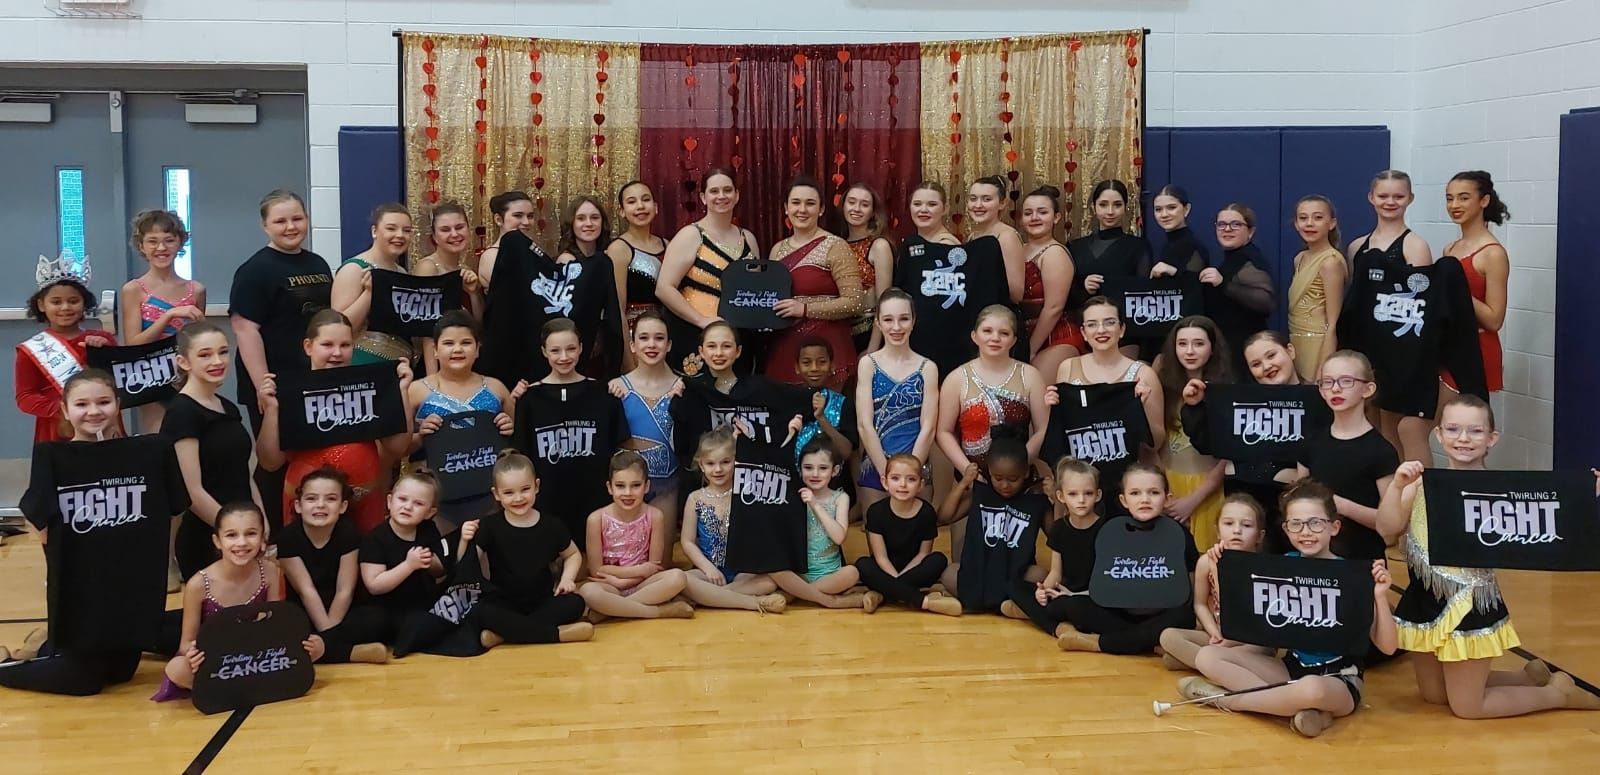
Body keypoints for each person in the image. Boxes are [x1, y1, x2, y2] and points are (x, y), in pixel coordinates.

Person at [1378, 395, 1600, 718]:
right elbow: (1386, 527)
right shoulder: (1424, 484)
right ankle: (1524, 677)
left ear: (1491, 439)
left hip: (1469, 602)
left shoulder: (1500, 489)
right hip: (1424, 599)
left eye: (1475, 431)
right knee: (1434, 697)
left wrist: (1580, 492)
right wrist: (1397, 487)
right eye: (1453, 429)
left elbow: (1550, 509)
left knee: (1468, 708)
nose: (1463, 438)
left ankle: (1557, 694)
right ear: (1438, 435)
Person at [1, 370, 187, 696]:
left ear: (118, 404)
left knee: (120, 675)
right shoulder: (52, 456)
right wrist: (58, 557)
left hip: (130, 594)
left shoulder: (151, 452)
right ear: (65, 409)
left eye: (103, 402)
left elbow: (175, 506)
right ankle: (9, 668)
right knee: (83, 683)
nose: (93, 411)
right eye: (82, 404)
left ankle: (48, 651)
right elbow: (34, 512)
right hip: (83, 594)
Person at [1180, 481, 1398, 738]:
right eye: (1296, 524)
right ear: (1286, 529)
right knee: (1208, 657)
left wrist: (1380, 597)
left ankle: (1227, 700)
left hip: (1338, 679)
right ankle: (1299, 711)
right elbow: (1245, 619)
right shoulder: (1280, 567)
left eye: (1315, 523)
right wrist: (1221, 566)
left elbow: (1388, 647)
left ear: (1334, 526)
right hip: (1290, 669)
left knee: (1311, 690)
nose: (1306, 532)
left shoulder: (1352, 575)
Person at [255, 310, 415, 535]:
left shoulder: (369, 385)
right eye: (327, 344)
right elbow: (270, 462)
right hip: (307, 503)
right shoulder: (288, 391)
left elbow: (398, 447)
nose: (337, 353)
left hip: (366, 498)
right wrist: (272, 409)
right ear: (308, 346)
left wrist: (401, 393)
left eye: (345, 345)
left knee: (369, 563)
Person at [229, 190, 332, 529]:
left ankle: (306, 530)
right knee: (274, 463)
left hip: (311, 380)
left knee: (308, 458)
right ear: (265, 226)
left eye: (297, 218)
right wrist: (263, 386)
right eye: (280, 220)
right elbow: (245, 330)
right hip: (274, 383)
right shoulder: (255, 270)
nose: (290, 226)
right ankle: (268, 532)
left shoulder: (317, 264)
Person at [157, 502, 326, 700]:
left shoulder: (270, 572)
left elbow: (277, 624)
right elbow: (186, 643)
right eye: (231, 535)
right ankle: (234, 689)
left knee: (318, 644)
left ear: (263, 538)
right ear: (217, 541)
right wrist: (193, 654)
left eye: (251, 534)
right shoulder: (198, 584)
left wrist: (302, 645)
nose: (242, 543)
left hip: (256, 653)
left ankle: (243, 686)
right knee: (177, 668)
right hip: (218, 658)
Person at [1046, 462, 1199, 654]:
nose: (1145, 500)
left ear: (1167, 499)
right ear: (1124, 500)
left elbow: (1191, 581)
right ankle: (1148, 643)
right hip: (1120, 613)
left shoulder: (1179, 534)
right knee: (1069, 605)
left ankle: (1100, 643)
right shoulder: (1112, 532)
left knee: (1183, 617)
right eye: (1135, 493)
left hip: (1163, 612)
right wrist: (1074, 596)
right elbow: (1104, 581)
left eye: (1154, 493)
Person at [512, 318, 629, 548]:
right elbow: (521, 454)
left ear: (582, 348)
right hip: (547, 505)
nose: (564, 357)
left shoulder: (604, 394)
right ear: (544, 351)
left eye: (571, 348)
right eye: (555, 350)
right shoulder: (529, 399)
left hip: (595, 503)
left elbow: (621, 449)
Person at [1178, 330, 1303, 546]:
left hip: (1289, 512)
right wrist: (1194, 407)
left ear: (1290, 351)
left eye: (1271, 355)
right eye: (1256, 364)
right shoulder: (1242, 403)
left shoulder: (1317, 399)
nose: (1266, 367)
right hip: (1243, 511)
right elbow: (1207, 444)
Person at [1344, 170, 1435, 462]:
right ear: (1371, 198)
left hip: (1399, 351)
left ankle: (1402, 496)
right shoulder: (1358, 247)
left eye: (1398, 196)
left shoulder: (1415, 245)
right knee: (1368, 422)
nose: (1390, 202)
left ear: (1410, 199)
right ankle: (1378, 491)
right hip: (1365, 348)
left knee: (1395, 428)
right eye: (1383, 196)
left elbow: (1421, 307)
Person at [463, 453, 594, 647]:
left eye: (525, 489)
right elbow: (467, 562)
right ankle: (558, 634)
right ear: (496, 494)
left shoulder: (552, 525)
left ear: (537, 486)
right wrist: (465, 540)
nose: (518, 498)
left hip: (542, 601)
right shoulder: (489, 526)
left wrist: (567, 578)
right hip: (504, 601)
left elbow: (573, 554)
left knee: (576, 603)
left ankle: (503, 635)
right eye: (509, 493)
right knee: (480, 611)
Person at [164, 322, 260, 581]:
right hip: (208, 536)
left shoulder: (227, 407)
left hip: (241, 534)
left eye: (223, 352)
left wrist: (259, 522)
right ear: (184, 362)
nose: (217, 361)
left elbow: (244, 472)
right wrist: (232, 533)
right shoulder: (181, 412)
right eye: (205, 355)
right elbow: (192, 492)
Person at [408, 311, 514, 530]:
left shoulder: (497, 389)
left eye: (466, 342)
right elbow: (396, 447)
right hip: (435, 499)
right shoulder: (416, 391)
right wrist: (420, 436)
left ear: (477, 349)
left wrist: (509, 428)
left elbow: (516, 445)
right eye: (448, 343)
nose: (457, 349)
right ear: (435, 350)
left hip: (489, 497)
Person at [895, 181, 1011, 378]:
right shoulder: (911, 245)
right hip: (913, 343)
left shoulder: (951, 248)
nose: (923, 210)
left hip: (946, 350)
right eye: (917, 204)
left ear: (945, 208)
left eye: (931, 204)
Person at [278, 468, 391, 664]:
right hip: (307, 608)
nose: (320, 505)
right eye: (311, 499)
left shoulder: (348, 533)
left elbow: (344, 591)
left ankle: (321, 652)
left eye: (330, 499)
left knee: (377, 619)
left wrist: (326, 637)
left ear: (342, 506)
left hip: (341, 610)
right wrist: (328, 635)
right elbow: (307, 591)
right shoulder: (288, 538)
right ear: (298, 505)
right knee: (286, 630)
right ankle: (350, 653)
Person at [1294, 351, 1397, 563]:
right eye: (1327, 382)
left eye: (1346, 381)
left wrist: (1343, 506)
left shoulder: (1382, 451)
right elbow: (1300, 498)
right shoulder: (1311, 443)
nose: (1336, 388)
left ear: (1368, 389)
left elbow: (1390, 525)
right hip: (1316, 558)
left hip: (1362, 560)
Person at [656, 168, 760, 374]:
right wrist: (702, 320)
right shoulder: (690, 236)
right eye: (714, 191)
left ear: (737, 195)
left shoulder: (748, 238)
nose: (721, 196)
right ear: (703, 197)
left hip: (738, 340)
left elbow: (755, 290)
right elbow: (664, 289)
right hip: (696, 337)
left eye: (727, 190)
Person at [765, 177, 867, 388]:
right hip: (785, 348)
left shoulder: (835, 246)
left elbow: (855, 302)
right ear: (786, 208)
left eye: (810, 203)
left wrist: (805, 309)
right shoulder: (777, 249)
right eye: (795, 203)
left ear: (821, 210)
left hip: (827, 352)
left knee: (824, 417)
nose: (802, 209)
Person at [678, 428, 788, 613]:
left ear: (736, 461)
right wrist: (708, 569)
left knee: (770, 581)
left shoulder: (746, 495)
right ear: (701, 464)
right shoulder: (695, 498)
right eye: (711, 463)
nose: (718, 469)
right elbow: (687, 542)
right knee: (681, 580)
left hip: (742, 572)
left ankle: (712, 597)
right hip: (707, 572)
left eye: (725, 462)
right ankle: (742, 600)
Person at [575, 452, 693, 621]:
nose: (628, 493)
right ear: (610, 487)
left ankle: (609, 611)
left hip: (643, 584)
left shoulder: (655, 516)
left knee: (678, 577)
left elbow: (654, 567)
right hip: (610, 585)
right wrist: (635, 572)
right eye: (620, 486)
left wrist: (625, 581)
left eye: (636, 485)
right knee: (588, 592)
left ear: (646, 486)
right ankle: (658, 612)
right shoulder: (596, 519)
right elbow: (597, 570)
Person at [1157, 493, 1267, 671]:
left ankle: (1204, 664)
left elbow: (1250, 617)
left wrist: (1219, 573)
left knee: (1264, 649)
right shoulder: (1205, 563)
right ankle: (1216, 664)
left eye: (1246, 525)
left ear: (1259, 536)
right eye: (1229, 524)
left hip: (1249, 639)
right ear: (1218, 530)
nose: (1237, 530)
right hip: (1216, 636)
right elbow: (1200, 604)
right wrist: (1214, 633)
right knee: (1169, 636)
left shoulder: (1263, 569)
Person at [936, 305, 1050, 476]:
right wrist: (968, 471)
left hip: (1018, 477)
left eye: (1004, 333)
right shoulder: (956, 379)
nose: (995, 338)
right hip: (972, 480)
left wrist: (1018, 466)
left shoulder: (1030, 375)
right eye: (987, 331)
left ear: (1013, 340)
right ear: (975, 336)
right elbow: (944, 432)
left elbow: (1044, 429)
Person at [1048, 296, 1166, 462]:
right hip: (1080, 476)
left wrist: (1143, 409)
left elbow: (1156, 444)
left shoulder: (1143, 374)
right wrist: (1053, 408)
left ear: (1122, 329)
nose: (1101, 330)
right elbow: (1063, 431)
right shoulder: (1067, 368)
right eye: (1092, 324)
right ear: (1083, 332)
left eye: (1109, 322)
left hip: (1129, 475)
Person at [937, 438, 1050, 610]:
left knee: (1041, 575)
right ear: (989, 471)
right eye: (998, 478)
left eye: (1013, 479)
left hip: (1016, 573)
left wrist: (1057, 501)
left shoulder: (1034, 498)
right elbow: (944, 517)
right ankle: (1015, 605)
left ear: (1026, 472)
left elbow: (1056, 535)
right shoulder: (980, 492)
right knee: (947, 573)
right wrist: (963, 483)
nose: (1005, 485)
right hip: (979, 572)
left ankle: (1013, 604)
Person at [854, 289, 939, 514]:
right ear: (878, 323)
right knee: (879, 544)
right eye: (888, 320)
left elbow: (928, 427)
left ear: (913, 321)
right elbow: (864, 424)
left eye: (903, 319)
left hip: (917, 468)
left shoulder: (927, 368)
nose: (896, 327)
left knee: (919, 542)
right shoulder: (868, 364)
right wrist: (887, 474)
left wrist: (909, 473)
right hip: (875, 468)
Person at [998, 457, 1105, 634]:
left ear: (1098, 495)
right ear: (1061, 496)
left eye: (1088, 493)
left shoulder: (1105, 528)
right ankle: (1057, 627)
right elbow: (1056, 572)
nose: (1081, 500)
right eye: (1073, 494)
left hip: (1089, 597)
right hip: (1063, 593)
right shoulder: (1059, 528)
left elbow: (1106, 581)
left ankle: (1037, 615)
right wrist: (1044, 591)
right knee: (1013, 586)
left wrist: (1073, 596)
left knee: (1072, 607)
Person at [16, 253, 115, 443]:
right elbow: (25, 396)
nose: (65, 307)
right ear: (41, 305)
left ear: (84, 303)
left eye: (73, 301)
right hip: (57, 427)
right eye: (56, 302)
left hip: (102, 421)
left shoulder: (103, 339)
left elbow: (118, 382)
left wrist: (105, 352)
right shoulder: (30, 350)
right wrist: (63, 410)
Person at [1153, 316, 1230, 549]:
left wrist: (1194, 499)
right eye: (1182, 344)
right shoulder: (1162, 384)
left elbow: (1231, 452)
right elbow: (1152, 442)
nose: (1189, 351)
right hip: (1166, 484)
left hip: (1208, 488)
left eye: (1198, 343)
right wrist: (1162, 492)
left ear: (1212, 347)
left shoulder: (1225, 389)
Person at [609, 311, 684, 549]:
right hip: (626, 486)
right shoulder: (616, 389)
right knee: (624, 558)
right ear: (632, 345)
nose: (651, 344)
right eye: (644, 338)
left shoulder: (684, 388)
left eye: (659, 338)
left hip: (667, 485)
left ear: (669, 344)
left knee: (661, 561)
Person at [855, 454, 963, 616]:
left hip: (915, 569)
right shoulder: (876, 512)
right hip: (885, 568)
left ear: (920, 484)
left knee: (938, 559)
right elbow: (881, 557)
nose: (903, 485)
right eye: (896, 478)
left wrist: (894, 583)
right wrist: (894, 578)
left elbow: (922, 554)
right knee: (862, 564)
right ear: (885, 482)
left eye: (911, 479)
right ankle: (923, 601)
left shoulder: (926, 513)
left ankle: (882, 594)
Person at [764, 440, 865, 609]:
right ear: (799, 469)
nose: (815, 473)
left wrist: (815, 504)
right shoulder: (792, 496)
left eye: (823, 468)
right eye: (808, 468)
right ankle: (830, 601)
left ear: (835, 471)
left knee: (852, 572)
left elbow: (839, 537)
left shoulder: (840, 498)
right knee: (773, 569)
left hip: (829, 574)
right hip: (799, 573)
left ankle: (795, 594)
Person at [1439, 170, 1509, 397]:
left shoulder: (1493, 254)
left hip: (1476, 346)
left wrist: (1458, 293)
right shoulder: (1450, 248)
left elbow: (1494, 319)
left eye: (1464, 197)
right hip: (1448, 343)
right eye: (1450, 198)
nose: (1454, 205)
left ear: (1484, 201)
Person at [1067, 179, 1152, 355]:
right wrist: (1084, 287)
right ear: (1093, 208)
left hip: (1124, 335)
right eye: (1103, 205)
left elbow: (1142, 294)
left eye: (1117, 205)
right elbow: (1065, 295)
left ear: (1126, 207)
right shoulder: (1075, 247)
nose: (1110, 211)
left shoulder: (1138, 246)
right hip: (1082, 332)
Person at [333, 203, 415, 365]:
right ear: (374, 231)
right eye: (391, 228)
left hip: (400, 365)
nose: (400, 235)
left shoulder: (402, 273)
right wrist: (369, 294)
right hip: (363, 363)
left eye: (406, 230)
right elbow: (339, 328)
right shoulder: (354, 269)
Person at [555, 195, 627, 375]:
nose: (588, 223)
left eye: (595, 218)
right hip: (576, 349)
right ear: (571, 223)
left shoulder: (605, 259)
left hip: (604, 344)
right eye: (581, 218)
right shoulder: (566, 261)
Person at [1017, 185, 1082, 384]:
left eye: (1042, 212)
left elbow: (1054, 307)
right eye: (1028, 213)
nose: (1034, 217)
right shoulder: (1019, 248)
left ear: (1056, 217)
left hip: (1056, 337)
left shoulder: (1054, 253)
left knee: (1035, 395)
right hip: (1023, 335)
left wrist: (1031, 349)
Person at [1204, 203, 1276, 374]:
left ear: (1250, 231)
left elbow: (1266, 301)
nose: (1227, 229)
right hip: (1231, 346)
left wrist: (1223, 284)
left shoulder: (1249, 260)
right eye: (1221, 224)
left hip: (1244, 349)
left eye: (1236, 224)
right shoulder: (1232, 259)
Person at [413, 202, 485, 373]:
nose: (454, 234)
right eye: (445, 230)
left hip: (463, 361)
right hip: (437, 365)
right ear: (434, 237)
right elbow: (425, 329)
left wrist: (474, 293)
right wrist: (433, 379)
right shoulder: (428, 267)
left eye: (459, 227)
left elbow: (478, 325)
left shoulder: (465, 270)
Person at [1287, 195, 1347, 381]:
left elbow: (1333, 323)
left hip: (1319, 344)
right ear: (1296, 224)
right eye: (1303, 218)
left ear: (1331, 223)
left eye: (1318, 217)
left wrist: (1325, 366)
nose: (1309, 224)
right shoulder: (1300, 258)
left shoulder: (1330, 262)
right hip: (1296, 341)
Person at [606, 180, 668, 342]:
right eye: (632, 202)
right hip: (637, 338)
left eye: (646, 200)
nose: (640, 206)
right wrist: (627, 354)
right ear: (621, 211)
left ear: (656, 207)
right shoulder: (619, 249)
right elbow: (617, 308)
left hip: (666, 333)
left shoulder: (668, 245)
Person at [791, 337, 856, 490]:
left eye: (821, 362)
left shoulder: (843, 404)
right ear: (797, 367)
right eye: (806, 363)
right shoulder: (786, 402)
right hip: (793, 488)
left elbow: (846, 452)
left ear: (832, 365)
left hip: (832, 490)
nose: (814, 368)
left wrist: (822, 419)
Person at [841, 182, 896, 354]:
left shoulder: (878, 246)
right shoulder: (837, 244)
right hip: (840, 334)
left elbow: (884, 302)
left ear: (872, 212)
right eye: (851, 202)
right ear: (843, 206)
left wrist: (873, 348)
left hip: (868, 332)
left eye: (864, 205)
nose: (856, 208)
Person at [963, 175, 1027, 305]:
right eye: (973, 199)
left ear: (1002, 203)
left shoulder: (1006, 236)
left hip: (999, 313)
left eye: (987, 199)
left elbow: (1016, 293)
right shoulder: (972, 236)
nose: (978, 205)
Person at [473, 190, 535, 287]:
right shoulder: (491, 256)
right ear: (498, 219)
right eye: (518, 215)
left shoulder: (532, 252)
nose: (526, 222)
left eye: (530, 216)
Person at [1149, 185, 1209, 281]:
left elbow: (1196, 288)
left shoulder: (1194, 246)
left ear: (1186, 209)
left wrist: (1174, 271)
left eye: (1171, 207)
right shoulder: (1165, 246)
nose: (1164, 214)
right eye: (1158, 209)